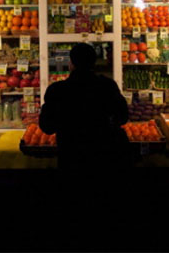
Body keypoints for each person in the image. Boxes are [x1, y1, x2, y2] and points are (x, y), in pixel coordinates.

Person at [39, 42, 130, 170]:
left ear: (71, 64)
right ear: (94, 63)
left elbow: (47, 126)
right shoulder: (107, 86)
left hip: (70, 157)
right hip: (103, 157)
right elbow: (123, 117)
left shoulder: (57, 90)